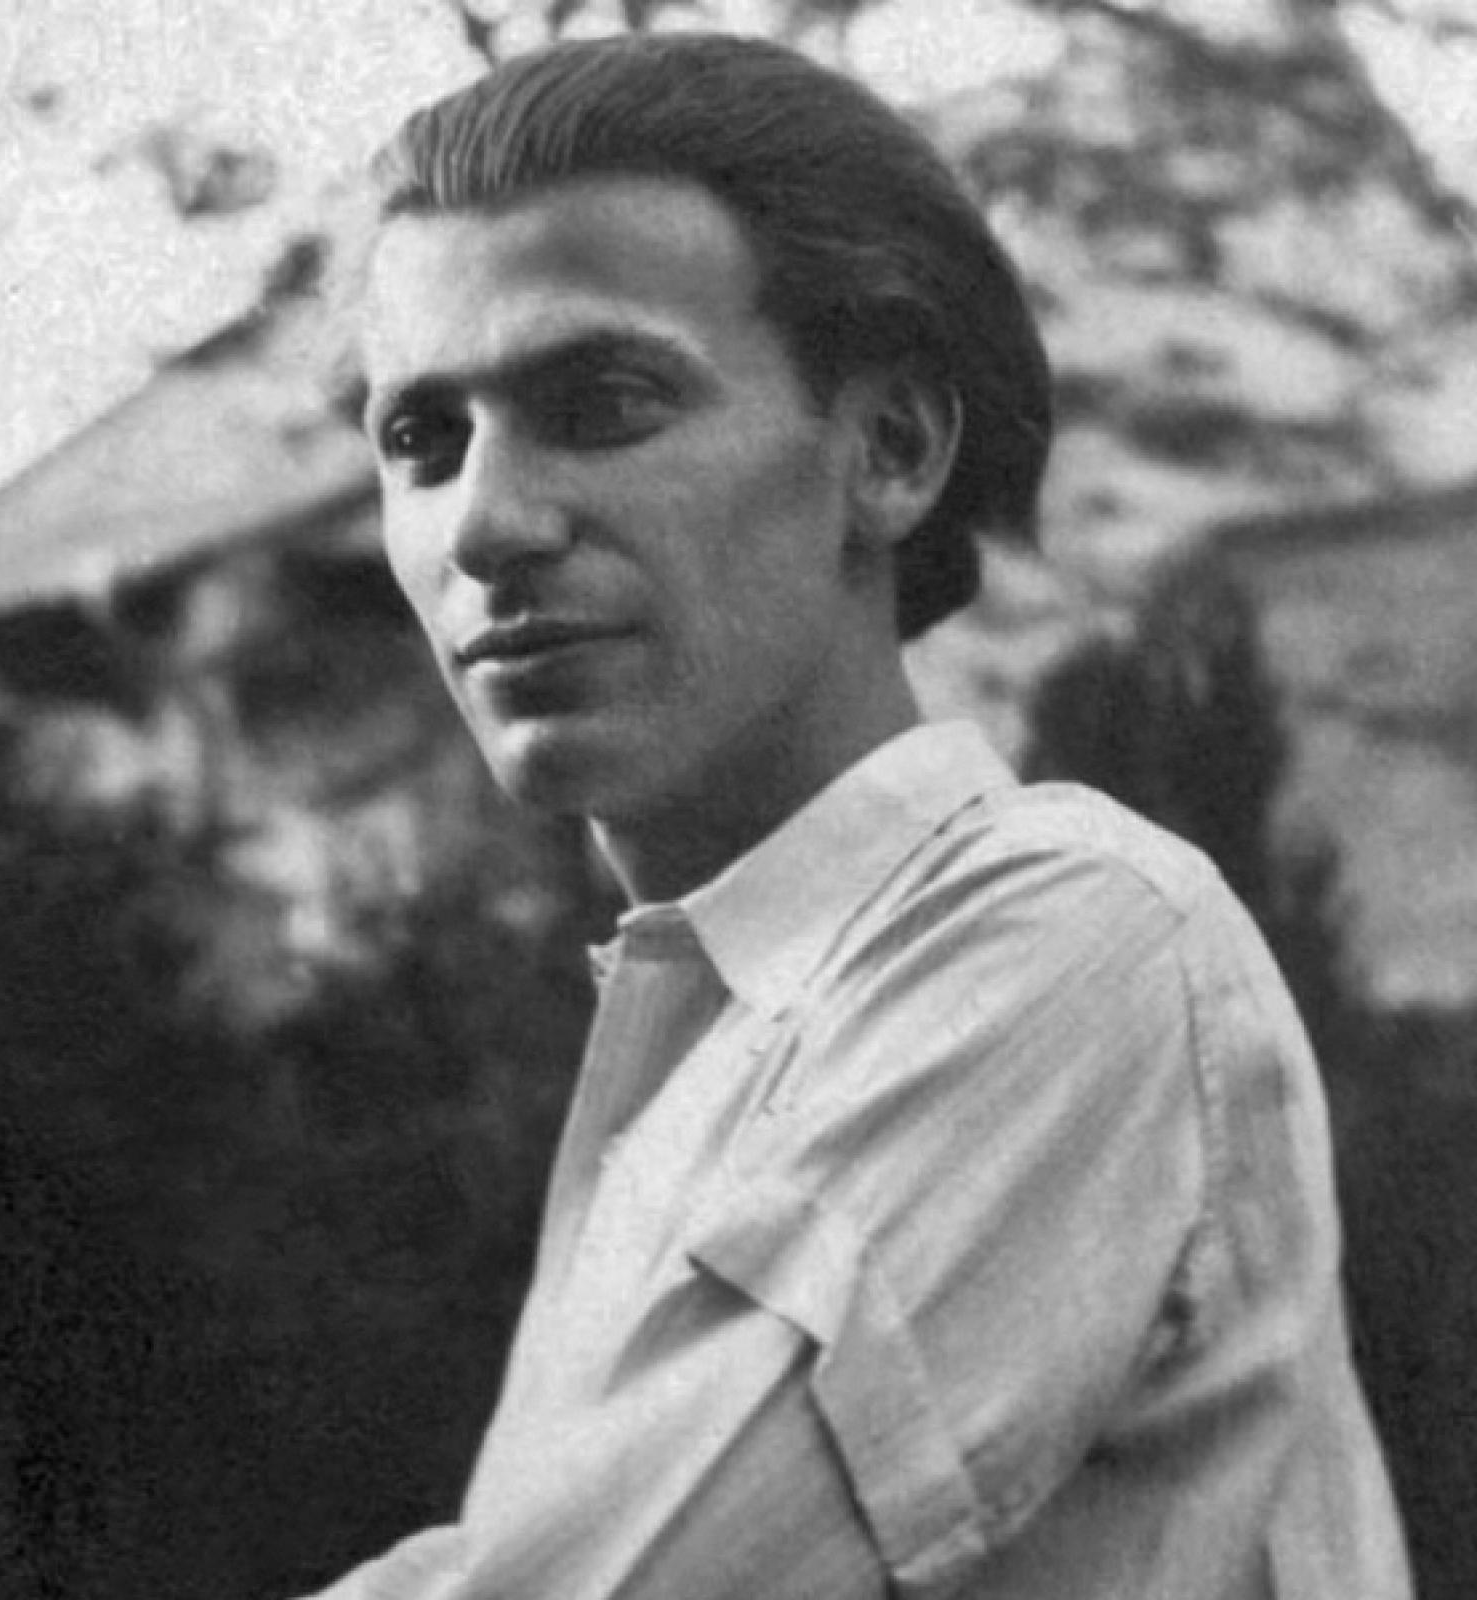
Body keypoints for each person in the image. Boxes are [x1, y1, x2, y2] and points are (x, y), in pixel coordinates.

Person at [313, 31, 1410, 1599]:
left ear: (889, 451)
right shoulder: (710, 1037)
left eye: (603, 401)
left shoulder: (1071, 934)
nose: (485, 522)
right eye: (422, 439)